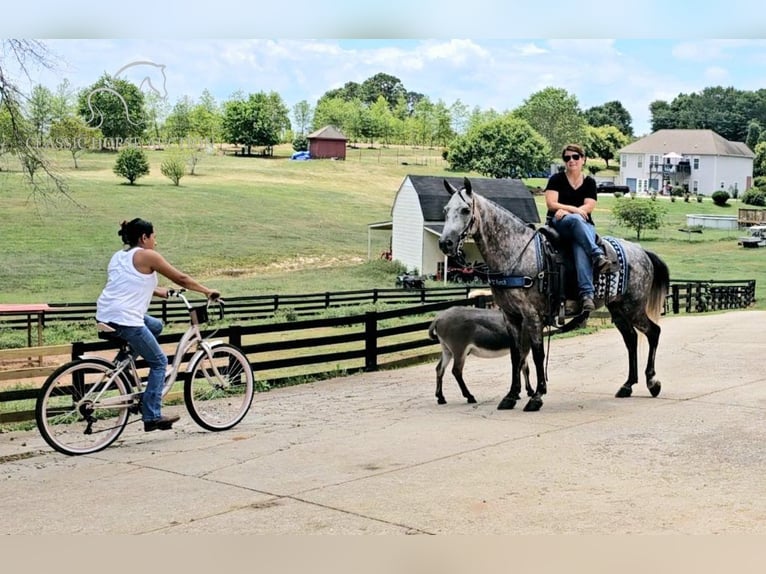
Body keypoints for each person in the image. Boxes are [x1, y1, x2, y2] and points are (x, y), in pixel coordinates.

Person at [96, 218, 220, 432]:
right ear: (144, 237)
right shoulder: (147, 255)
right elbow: (181, 278)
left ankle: (122, 365)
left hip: (106, 315)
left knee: (155, 325)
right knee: (160, 362)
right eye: (154, 237)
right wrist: (207, 291)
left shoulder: (119, 256)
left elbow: (127, 282)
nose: (156, 242)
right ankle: (152, 415)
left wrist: (159, 291)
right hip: (127, 319)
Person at [544, 144, 611, 313]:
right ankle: (597, 254)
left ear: (583, 159)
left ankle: (587, 296)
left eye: (575, 157)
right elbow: (551, 203)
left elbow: (590, 205)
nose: (571, 161)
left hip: (583, 227)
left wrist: (567, 209)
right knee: (574, 220)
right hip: (560, 224)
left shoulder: (589, 182)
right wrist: (574, 210)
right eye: (567, 158)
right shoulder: (556, 179)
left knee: (579, 247)